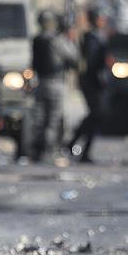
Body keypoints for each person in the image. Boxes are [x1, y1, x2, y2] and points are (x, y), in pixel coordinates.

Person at [31, 10, 80, 163]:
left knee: (39, 119)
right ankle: (47, 151)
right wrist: (71, 39)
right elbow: (74, 58)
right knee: (53, 120)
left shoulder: (37, 39)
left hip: (40, 83)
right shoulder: (57, 40)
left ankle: (37, 150)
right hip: (55, 82)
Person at [67, 7, 110, 163]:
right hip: (92, 82)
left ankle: (74, 144)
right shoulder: (91, 38)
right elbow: (92, 63)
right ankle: (78, 148)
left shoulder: (98, 37)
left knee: (95, 116)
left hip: (94, 82)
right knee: (96, 115)